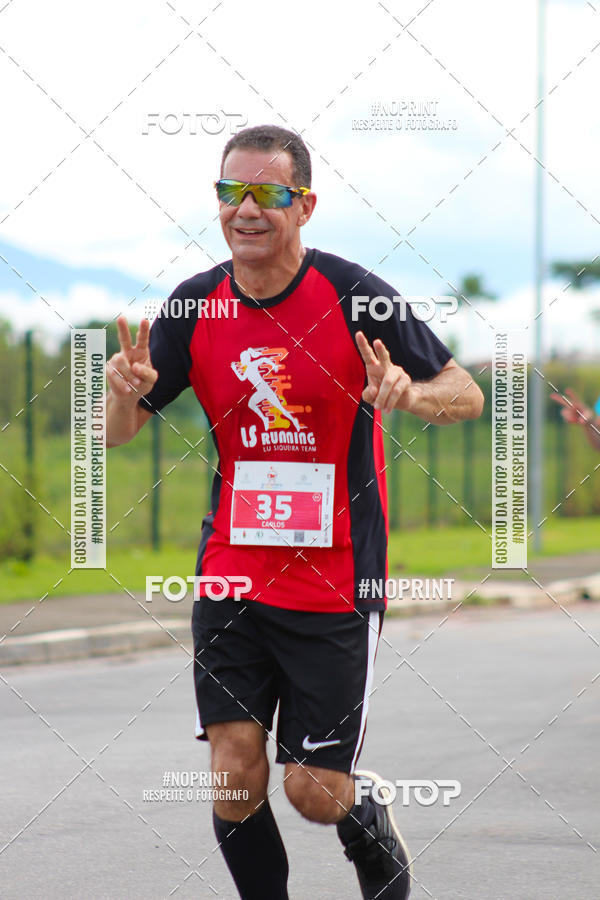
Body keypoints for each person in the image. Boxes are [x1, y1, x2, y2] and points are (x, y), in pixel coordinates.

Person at [106, 124, 484, 899]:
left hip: (335, 579)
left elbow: (466, 395)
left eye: (267, 194)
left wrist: (409, 393)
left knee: (314, 793)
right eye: (229, 192)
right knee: (234, 773)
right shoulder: (194, 307)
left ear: (303, 205)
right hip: (233, 572)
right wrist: (119, 393)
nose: (245, 209)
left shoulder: (357, 296)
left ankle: (363, 814)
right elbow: (119, 434)